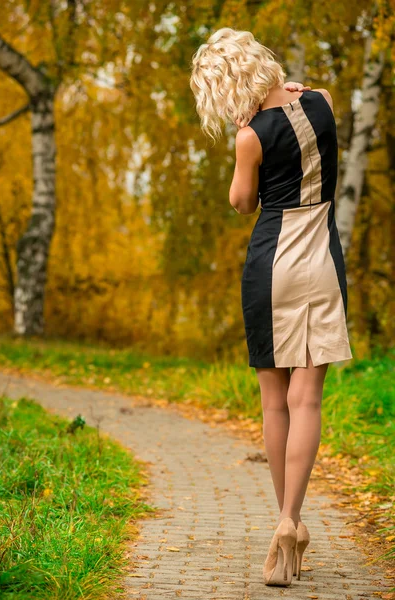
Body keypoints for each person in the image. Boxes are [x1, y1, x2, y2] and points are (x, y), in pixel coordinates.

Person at [190, 27, 353, 587]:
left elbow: (241, 202)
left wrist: (245, 135)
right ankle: (291, 521)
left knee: (275, 402)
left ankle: (287, 523)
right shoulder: (322, 101)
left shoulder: (250, 136)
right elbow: (306, 112)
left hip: (271, 265)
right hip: (322, 262)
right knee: (309, 398)